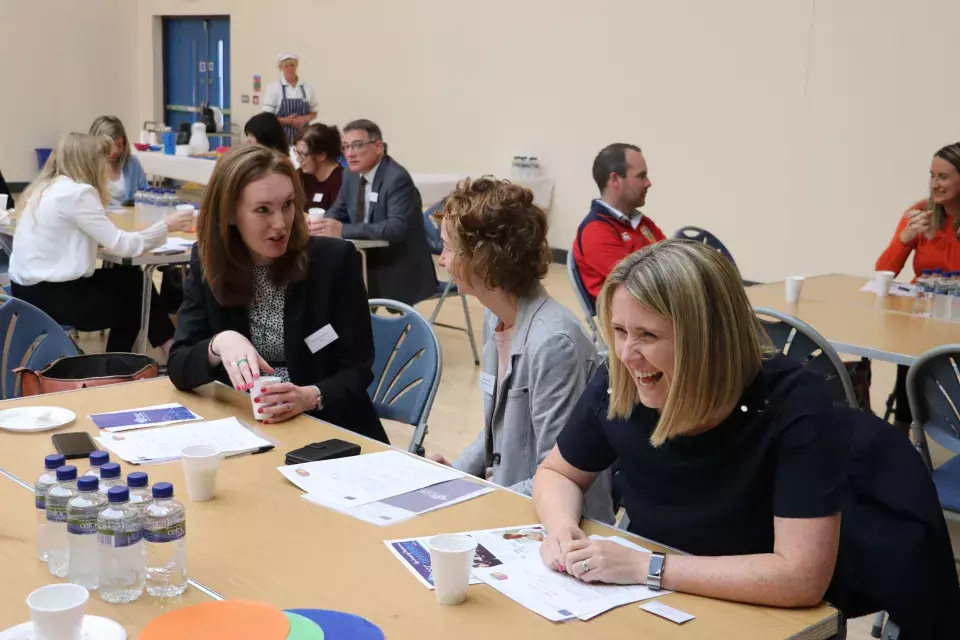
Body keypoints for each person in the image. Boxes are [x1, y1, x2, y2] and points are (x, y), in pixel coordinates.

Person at [533, 240, 844, 608]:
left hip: (754, 609)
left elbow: (800, 578)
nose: (626, 354)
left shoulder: (794, 406)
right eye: (619, 330)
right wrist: (561, 527)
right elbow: (559, 473)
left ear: (706, 340)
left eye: (647, 335)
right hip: (655, 600)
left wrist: (648, 568)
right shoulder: (622, 381)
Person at [167, 146, 387, 442]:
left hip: (328, 427)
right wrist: (219, 343)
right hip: (244, 428)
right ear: (230, 214)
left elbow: (358, 369)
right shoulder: (207, 262)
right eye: (263, 210)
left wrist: (310, 396)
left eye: (287, 204)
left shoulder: (334, 262)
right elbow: (179, 367)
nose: (281, 223)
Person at [425, 177, 613, 522]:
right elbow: (495, 429)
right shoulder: (495, 318)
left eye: (448, 248)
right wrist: (450, 481)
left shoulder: (554, 343)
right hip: (511, 502)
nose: (441, 260)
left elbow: (558, 475)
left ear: (481, 260)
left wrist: (469, 496)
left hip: (558, 522)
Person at [9, 133, 193, 354]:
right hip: (54, 298)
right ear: (90, 162)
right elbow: (125, 246)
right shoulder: (77, 193)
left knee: (132, 280)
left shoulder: (47, 187)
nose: (107, 165)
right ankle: (154, 352)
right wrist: (166, 225)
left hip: (27, 293)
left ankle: (145, 352)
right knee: (136, 294)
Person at [876, 142, 960, 434]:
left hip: (955, 320)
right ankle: (902, 429)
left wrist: (939, 241)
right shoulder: (920, 212)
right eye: (932, 176)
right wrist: (905, 238)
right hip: (923, 317)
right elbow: (884, 270)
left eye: (944, 177)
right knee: (907, 347)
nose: (935, 185)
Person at [312, 119, 436, 305]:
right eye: (345, 147)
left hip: (397, 267)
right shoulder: (350, 174)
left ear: (378, 147)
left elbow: (396, 228)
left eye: (357, 146)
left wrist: (342, 230)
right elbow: (339, 209)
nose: (349, 154)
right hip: (365, 261)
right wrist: (321, 225)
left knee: (343, 294)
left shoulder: (396, 178)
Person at [573, 143, 663, 304]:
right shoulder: (595, 230)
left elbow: (673, 258)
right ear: (615, 180)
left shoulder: (642, 222)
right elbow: (636, 284)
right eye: (641, 176)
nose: (648, 183)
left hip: (657, 306)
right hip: (633, 319)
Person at [89, 116, 148, 207]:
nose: (115, 151)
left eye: (119, 145)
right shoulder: (88, 167)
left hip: (131, 219)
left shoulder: (132, 163)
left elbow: (146, 195)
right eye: (110, 145)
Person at [262, 53, 318, 146]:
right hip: (280, 137)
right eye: (286, 66)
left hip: (303, 136)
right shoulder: (273, 88)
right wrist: (288, 121)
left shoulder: (307, 88)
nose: (290, 69)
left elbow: (314, 112)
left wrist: (303, 119)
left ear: (296, 66)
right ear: (281, 68)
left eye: (292, 65)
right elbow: (267, 117)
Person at [295, 123, 343, 210]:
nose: (298, 159)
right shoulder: (302, 175)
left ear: (322, 156)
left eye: (303, 154)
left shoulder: (341, 181)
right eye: (297, 152)